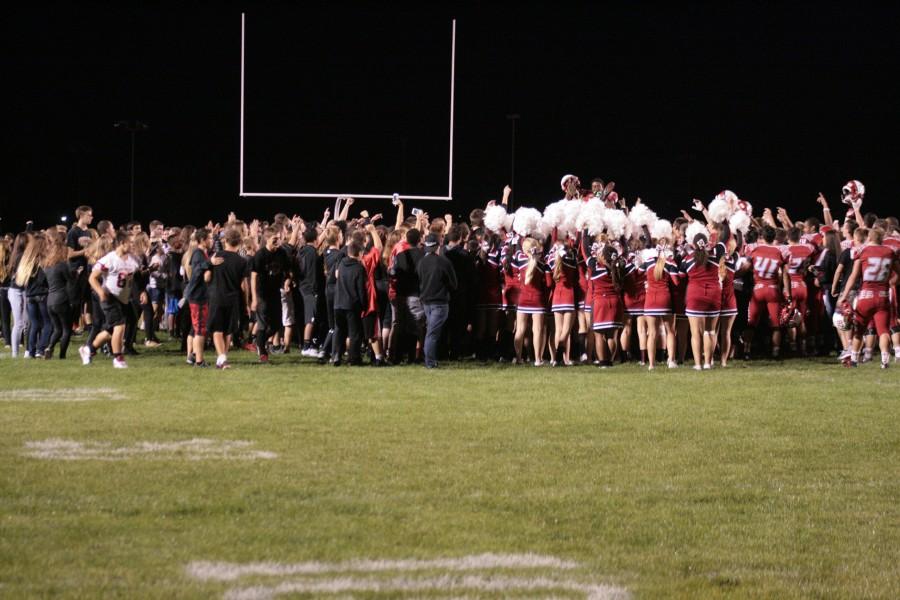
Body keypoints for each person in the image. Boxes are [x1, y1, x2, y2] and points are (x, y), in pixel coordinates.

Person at [838, 227, 899, 368]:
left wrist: (845, 295)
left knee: (859, 329)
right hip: (883, 295)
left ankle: (853, 359)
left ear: (870, 238)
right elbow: (898, 272)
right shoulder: (890, 252)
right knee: (883, 330)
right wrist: (892, 282)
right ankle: (885, 361)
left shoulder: (862, 251)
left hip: (866, 295)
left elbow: (854, 276)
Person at [79, 231, 139, 368]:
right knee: (119, 326)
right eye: (131, 243)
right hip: (109, 297)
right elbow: (92, 278)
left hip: (123, 299)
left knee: (111, 330)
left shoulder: (133, 259)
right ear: (122, 243)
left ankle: (88, 349)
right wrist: (100, 292)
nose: (133, 245)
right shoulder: (109, 259)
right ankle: (118, 358)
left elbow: (131, 278)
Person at [208, 227, 247, 369]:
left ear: (225, 241)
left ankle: (222, 359)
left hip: (217, 296)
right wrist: (247, 302)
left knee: (217, 329)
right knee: (228, 330)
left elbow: (206, 277)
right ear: (240, 242)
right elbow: (244, 285)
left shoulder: (217, 256)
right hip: (233, 298)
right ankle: (223, 358)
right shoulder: (242, 261)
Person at [416, 232, 458, 368]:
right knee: (432, 333)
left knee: (432, 331)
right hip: (439, 302)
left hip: (426, 301)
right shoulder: (443, 262)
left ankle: (431, 358)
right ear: (438, 245)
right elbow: (454, 284)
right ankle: (430, 362)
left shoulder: (421, 262)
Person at [251, 227, 291, 363]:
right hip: (262, 293)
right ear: (267, 239)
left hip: (275, 293)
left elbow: (287, 271)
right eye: (275, 239)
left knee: (276, 324)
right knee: (262, 323)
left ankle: (259, 341)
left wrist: (287, 281)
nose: (277, 241)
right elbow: (253, 276)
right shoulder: (260, 255)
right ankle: (263, 353)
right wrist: (254, 298)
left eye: (278, 238)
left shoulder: (282, 253)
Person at [332, 241, 368, 366]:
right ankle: (354, 358)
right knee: (354, 333)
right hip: (351, 304)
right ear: (359, 253)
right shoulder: (359, 268)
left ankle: (336, 355)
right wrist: (364, 305)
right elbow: (361, 289)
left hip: (338, 303)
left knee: (339, 330)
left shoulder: (341, 264)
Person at [183, 228, 214, 367]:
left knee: (198, 328)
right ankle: (199, 361)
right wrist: (210, 263)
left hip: (200, 296)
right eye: (210, 238)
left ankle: (193, 355)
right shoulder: (198, 253)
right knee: (200, 328)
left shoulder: (201, 253)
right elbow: (196, 272)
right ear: (202, 240)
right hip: (198, 296)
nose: (211, 241)